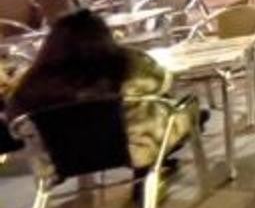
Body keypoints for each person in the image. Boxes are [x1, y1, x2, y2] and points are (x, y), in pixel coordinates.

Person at [6, 10, 194, 175]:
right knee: (186, 109)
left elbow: (15, 127)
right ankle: (148, 172)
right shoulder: (129, 64)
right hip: (129, 148)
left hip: (58, 161)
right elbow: (162, 83)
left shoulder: (33, 82)